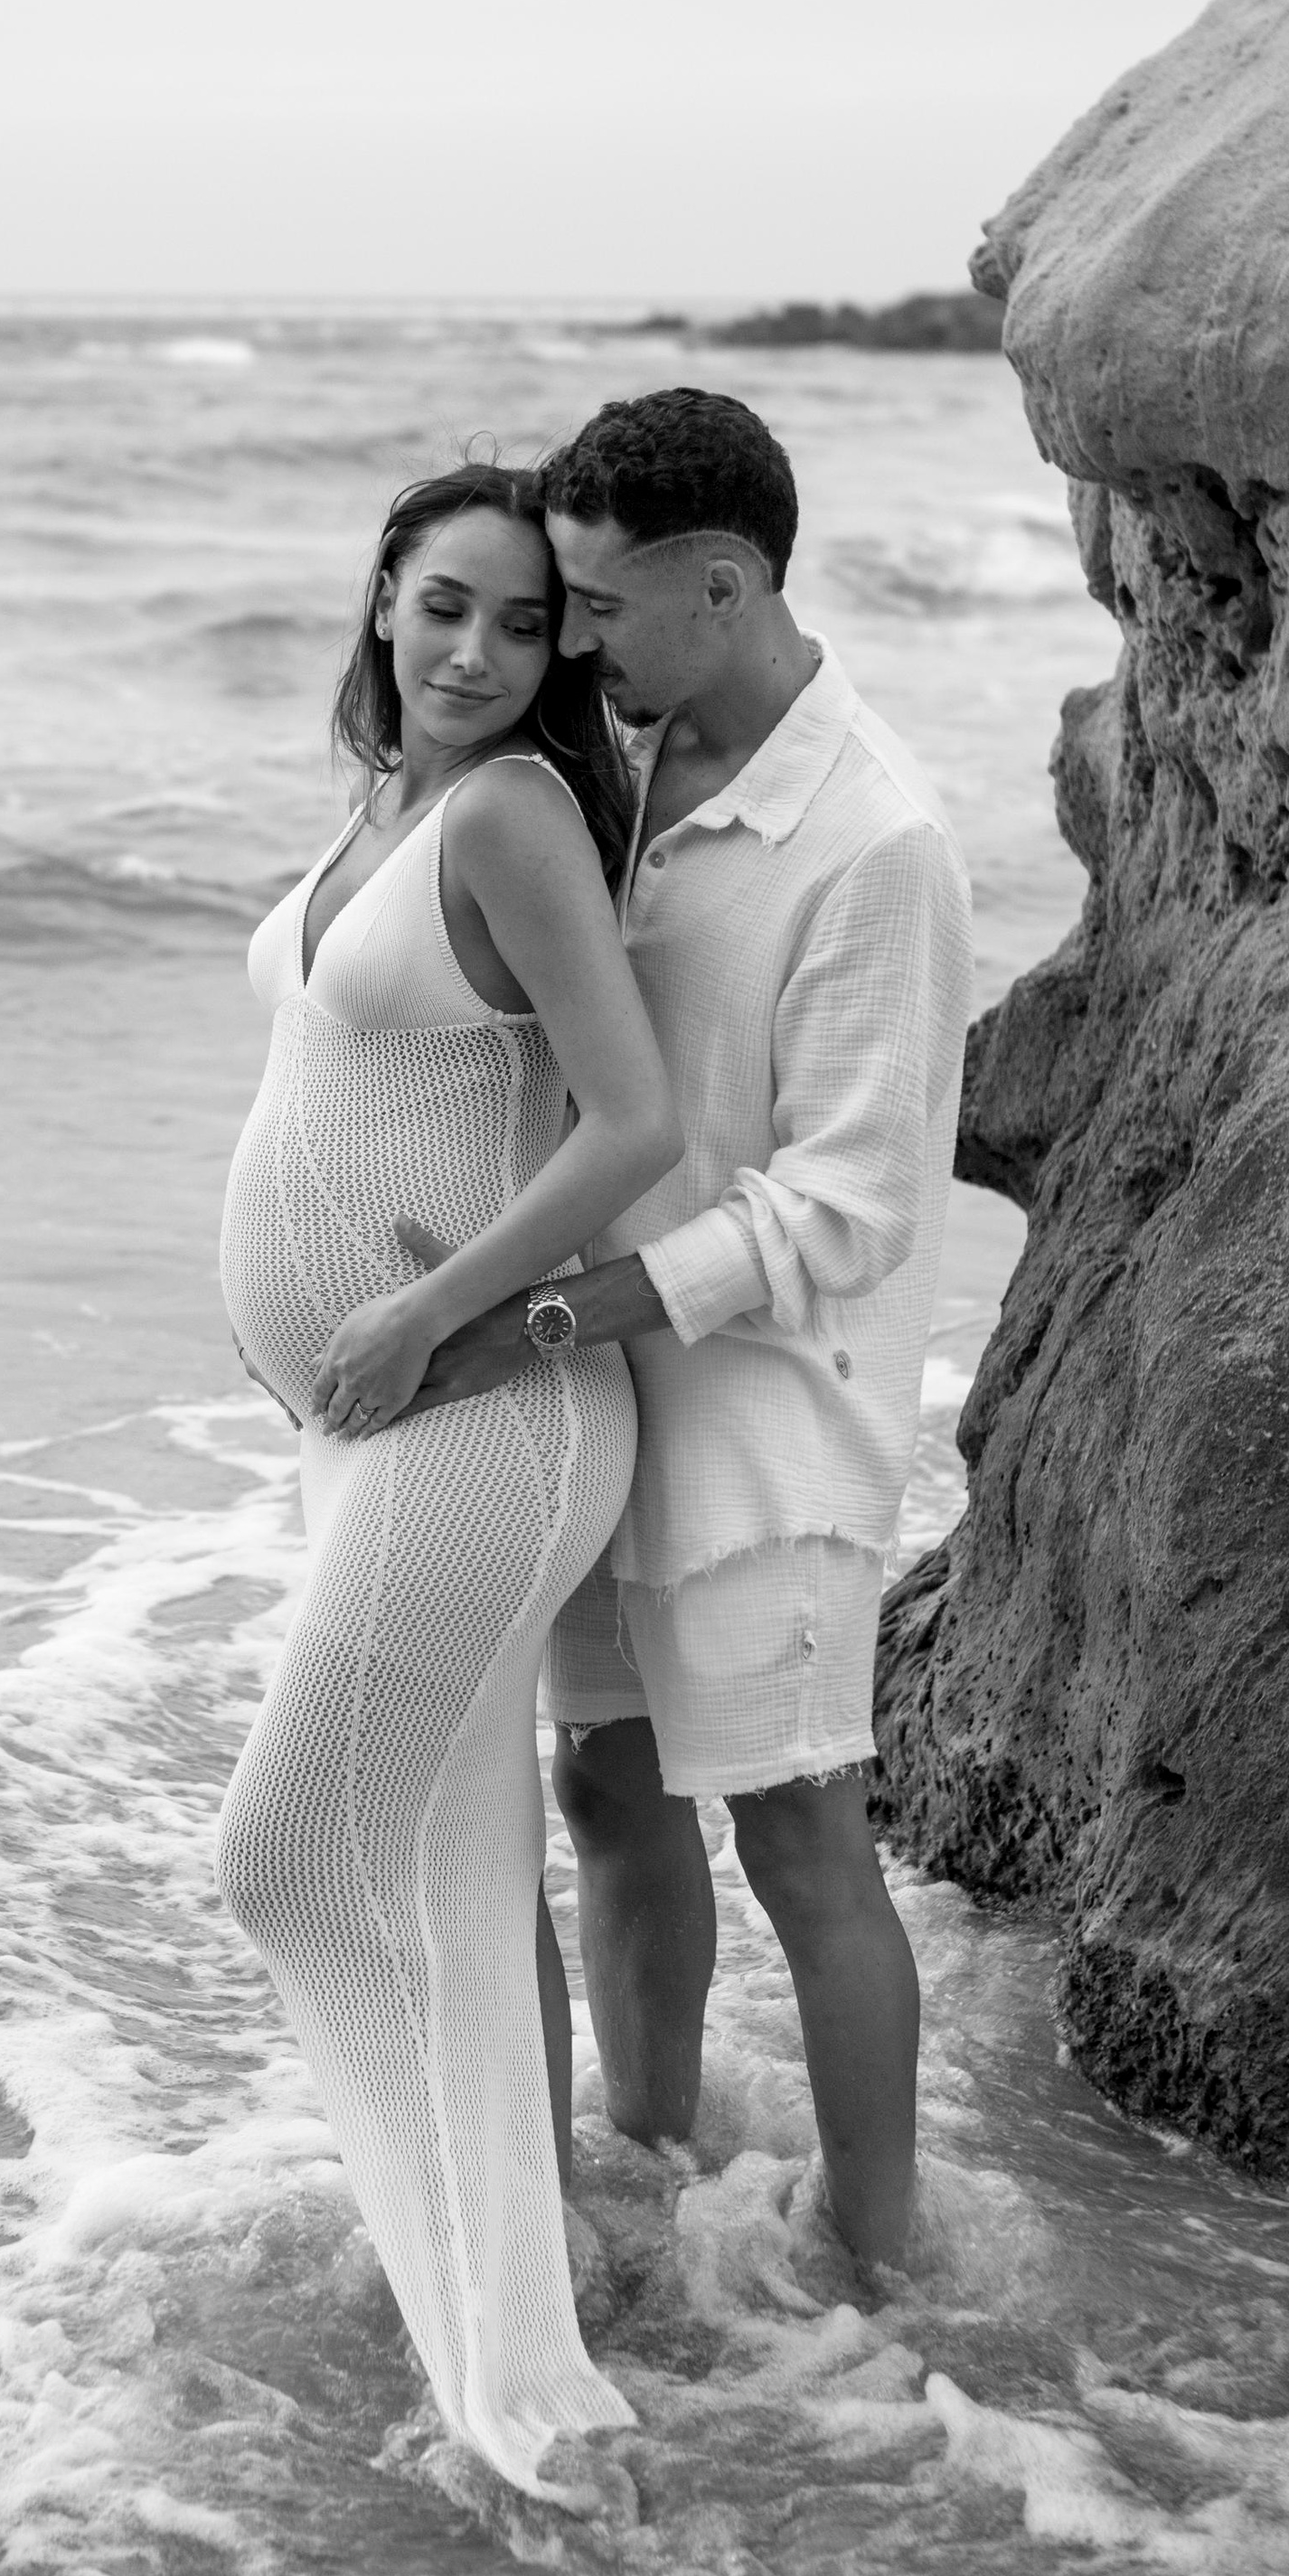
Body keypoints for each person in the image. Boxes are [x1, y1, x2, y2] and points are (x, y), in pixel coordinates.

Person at [395, 389, 974, 2269]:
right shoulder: (624, 767)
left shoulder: (876, 842)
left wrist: (551, 1306)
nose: (567, 643)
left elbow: (850, 1205)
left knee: (801, 1836)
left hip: (763, 1426)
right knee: (603, 1786)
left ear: (721, 586)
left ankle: (879, 2271)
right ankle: (644, 2156)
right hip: (591, 1394)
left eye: (593, 606)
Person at [215, 460, 682, 2500]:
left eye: (517, 621)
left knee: (288, 1866)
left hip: (483, 1423)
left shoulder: (504, 813)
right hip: (375, 1436)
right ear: (380, 603)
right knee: (452, 1898)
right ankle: (522, 2363)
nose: (475, 654)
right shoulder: (387, 808)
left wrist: (420, 1319)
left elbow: (631, 1125)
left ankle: (511, 2380)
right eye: (439, 608)